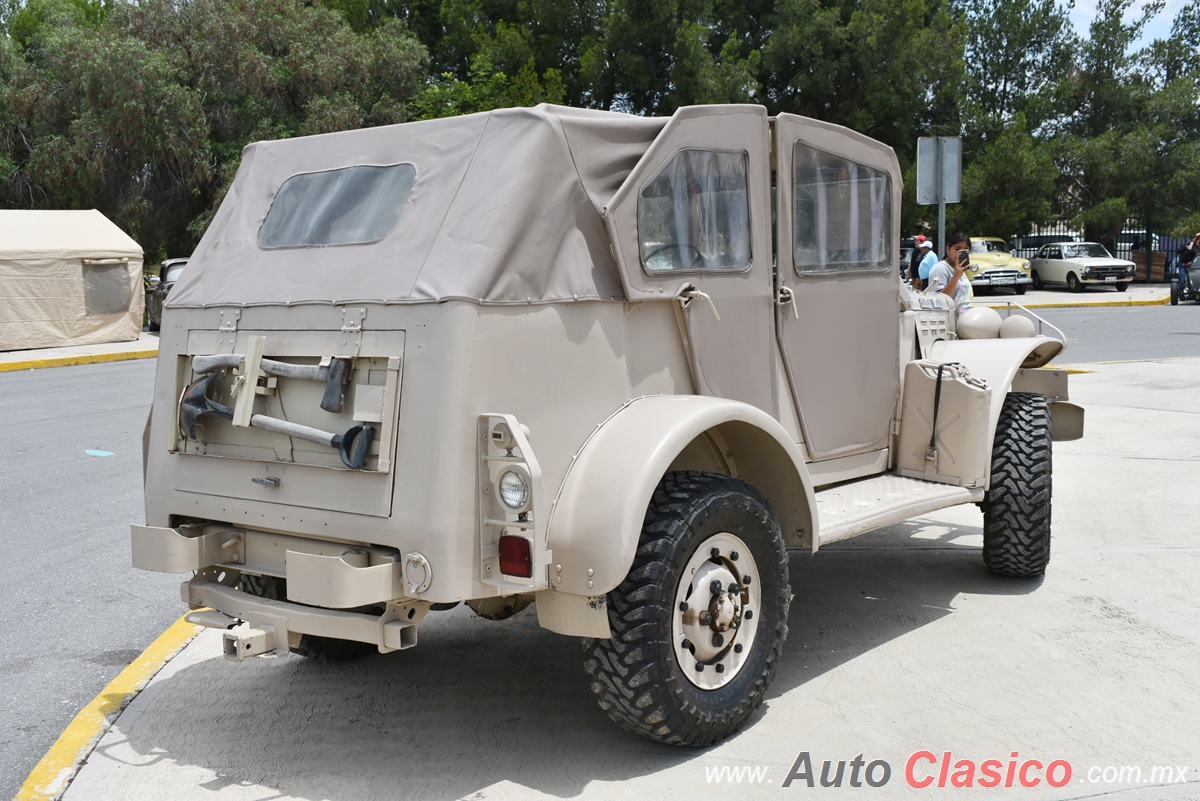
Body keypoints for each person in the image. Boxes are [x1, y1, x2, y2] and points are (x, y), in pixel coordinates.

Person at [925, 232, 972, 315]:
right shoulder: (940, 269)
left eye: (965, 250)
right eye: (957, 249)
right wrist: (956, 276)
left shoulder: (960, 269)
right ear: (948, 249)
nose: (959, 253)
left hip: (964, 318)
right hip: (947, 319)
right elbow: (940, 300)